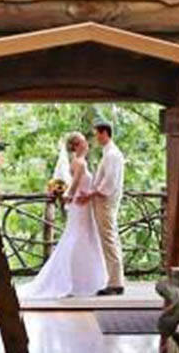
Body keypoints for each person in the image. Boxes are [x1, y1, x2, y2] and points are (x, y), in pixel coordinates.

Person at [20, 132, 107, 300]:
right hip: (80, 206)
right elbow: (73, 187)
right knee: (78, 238)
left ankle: (84, 279)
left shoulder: (80, 162)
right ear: (76, 146)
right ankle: (76, 281)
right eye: (83, 142)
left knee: (84, 238)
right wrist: (70, 197)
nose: (87, 145)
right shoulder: (79, 163)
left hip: (83, 205)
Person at [77, 120, 125, 295]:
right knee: (110, 238)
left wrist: (91, 194)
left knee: (109, 239)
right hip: (104, 201)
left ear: (105, 133)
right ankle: (115, 279)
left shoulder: (112, 154)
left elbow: (109, 182)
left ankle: (115, 282)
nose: (96, 138)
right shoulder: (110, 153)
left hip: (106, 202)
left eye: (97, 133)